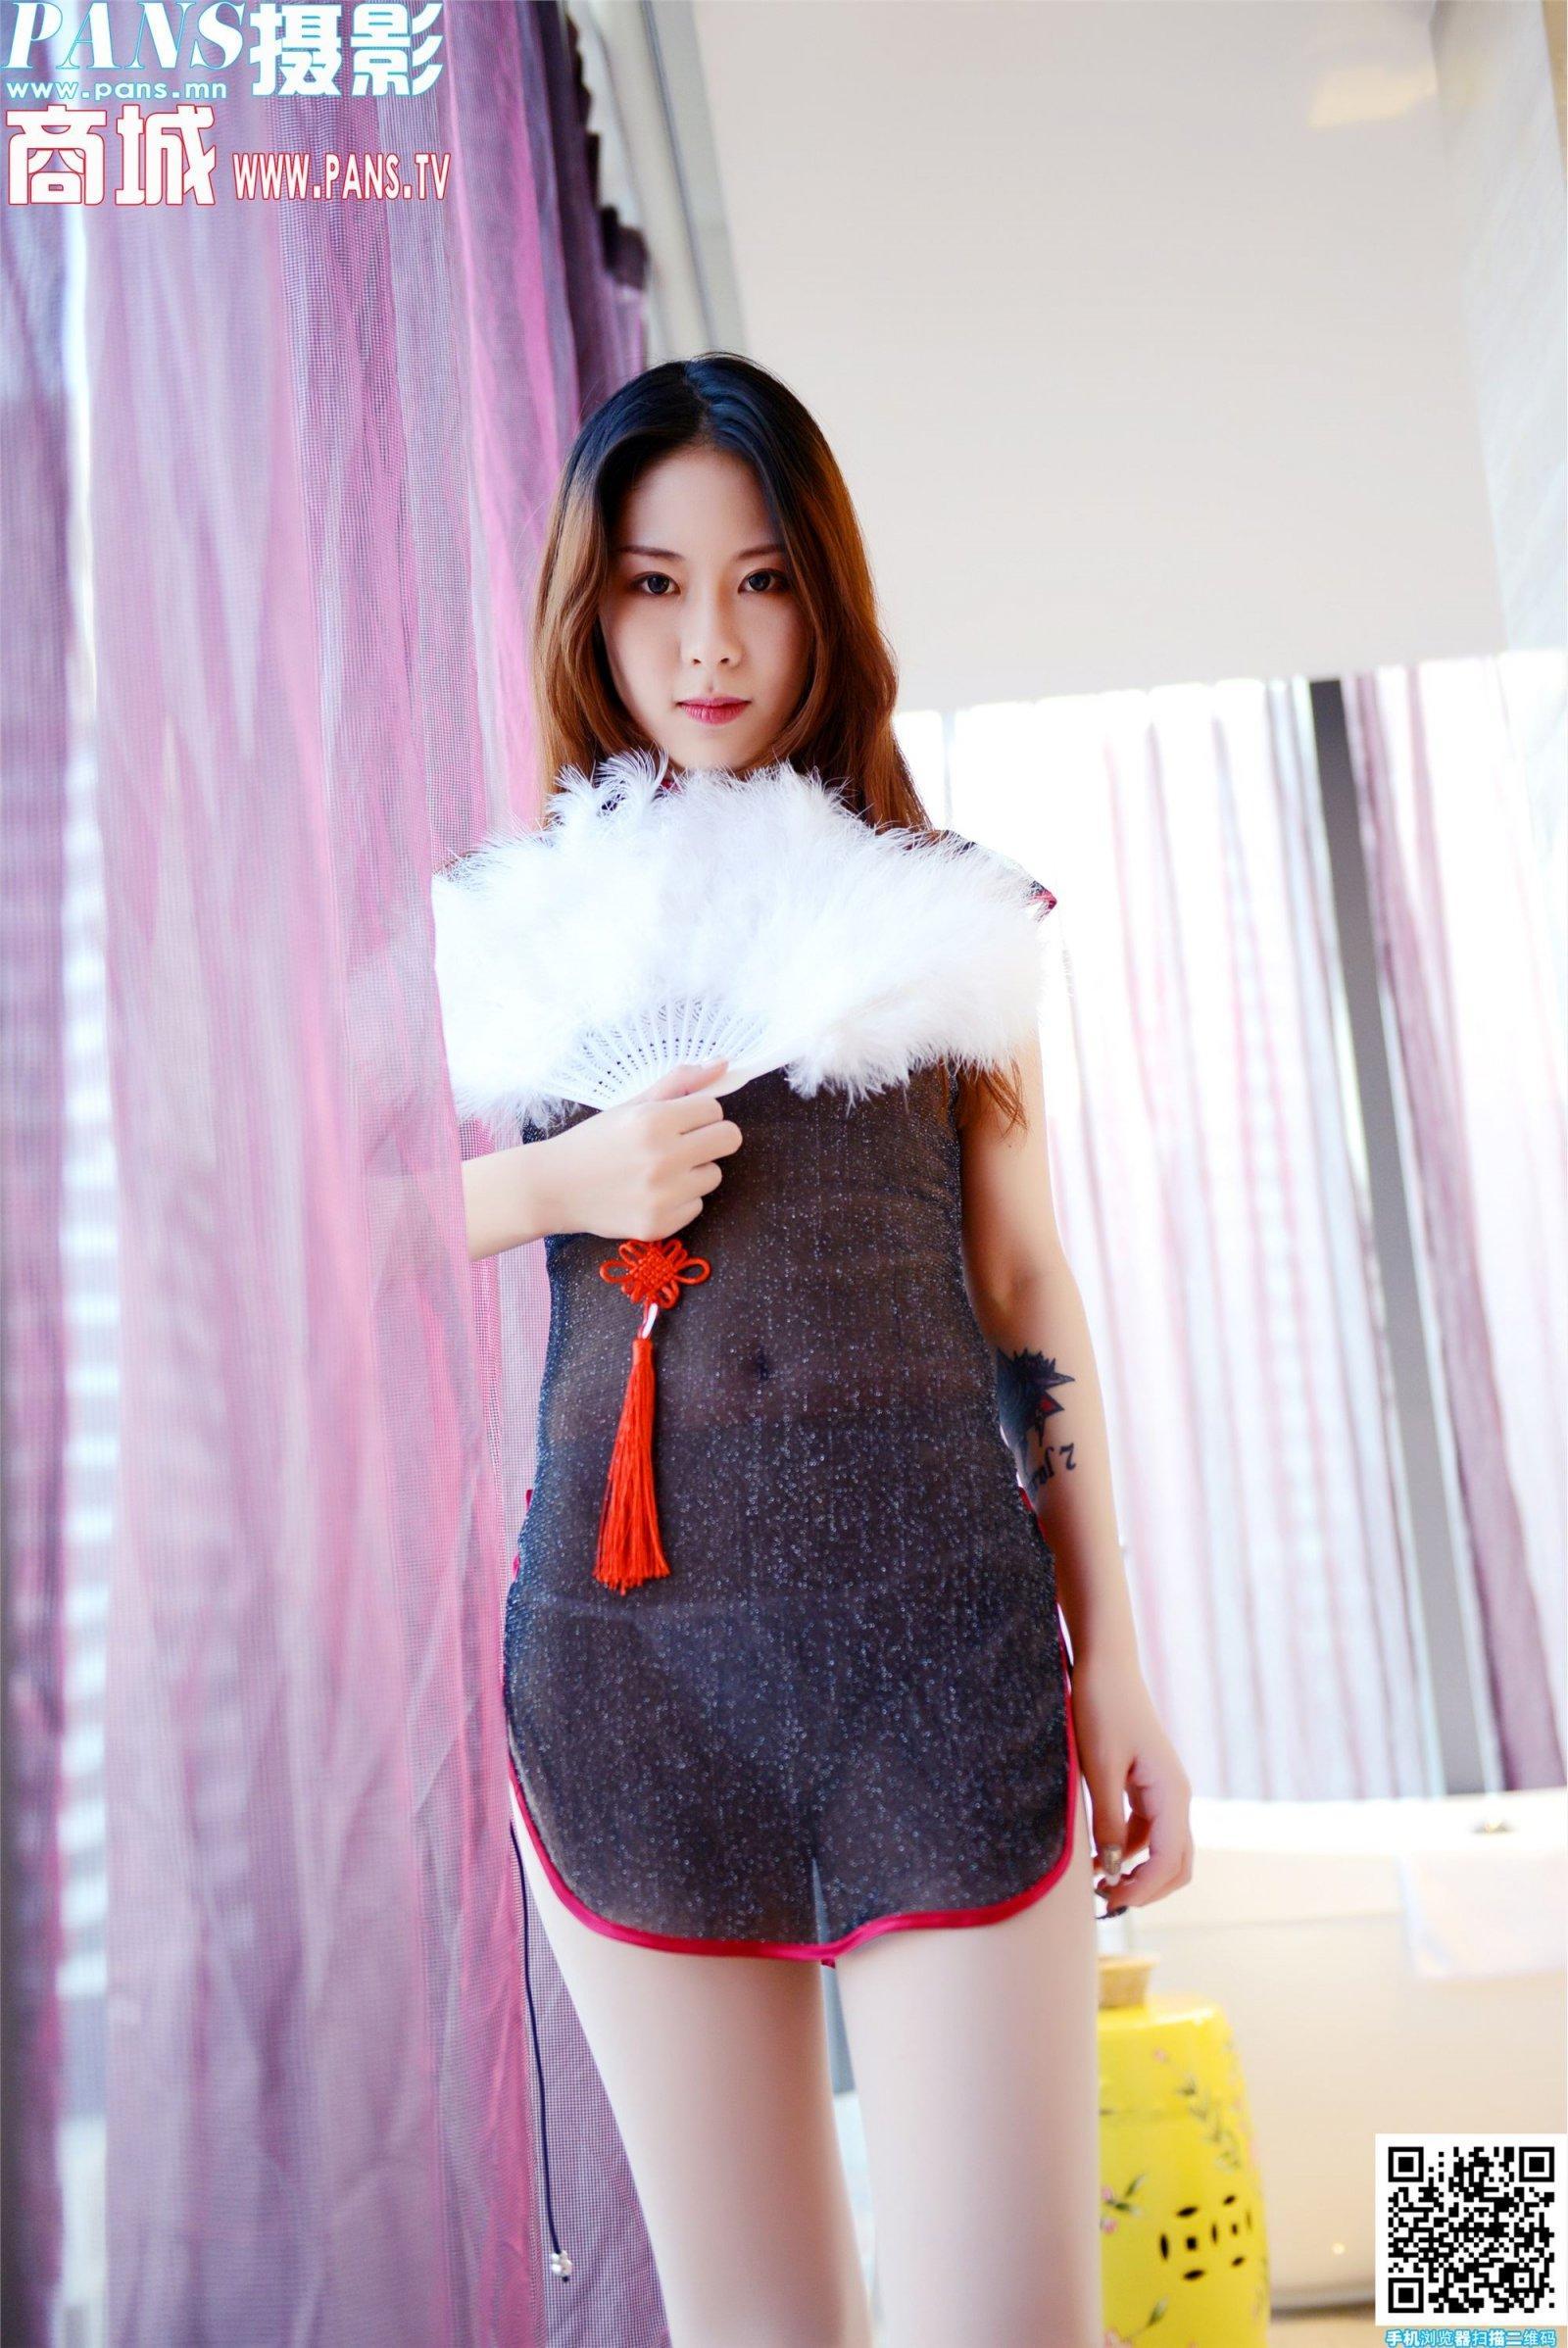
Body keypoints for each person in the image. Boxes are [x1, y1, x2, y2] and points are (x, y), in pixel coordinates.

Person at [437, 353, 1193, 2348]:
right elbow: (311, 1239)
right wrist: (563, 1175)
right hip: (628, 1683)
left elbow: (1024, 1291)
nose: (708, 641)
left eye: (760, 581)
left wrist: (1110, 1652)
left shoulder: (951, 921)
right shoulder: (505, 935)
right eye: (654, 583)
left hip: (938, 1662)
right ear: (589, 606)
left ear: (824, 600)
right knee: (758, 2330)